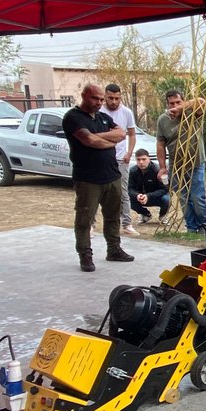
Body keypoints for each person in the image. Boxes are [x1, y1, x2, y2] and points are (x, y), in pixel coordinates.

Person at [64, 82, 130, 271]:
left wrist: (100, 137)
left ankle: (114, 250)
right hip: (88, 179)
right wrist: (109, 140)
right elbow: (90, 140)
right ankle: (85, 255)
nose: (99, 102)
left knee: (113, 216)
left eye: (101, 99)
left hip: (112, 175)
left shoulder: (102, 117)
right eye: (95, 98)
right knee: (84, 220)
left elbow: (121, 133)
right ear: (84, 96)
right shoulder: (73, 117)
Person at [156, 88, 206, 232]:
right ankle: (191, 228)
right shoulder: (163, 120)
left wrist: (181, 108)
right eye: (171, 103)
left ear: (183, 101)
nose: (174, 106)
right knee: (184, 198)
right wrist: (162, 167)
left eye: (178, 102)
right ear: (167, 104)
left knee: (197, 197)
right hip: (176, 165)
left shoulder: (192, 112)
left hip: (196, 162)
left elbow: (201, 102)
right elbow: (160, 144)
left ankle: (203, 227)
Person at [102, 83, 139, 237]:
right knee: (99, 191)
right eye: (110, 98)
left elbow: (132, 134)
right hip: (103, 157)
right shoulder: (99, 111)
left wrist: (129, 152)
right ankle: (92, 224)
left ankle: (127, 224)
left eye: (117, 98)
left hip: (121, 158)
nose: (114, 101)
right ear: (105, 96)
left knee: (123, 192)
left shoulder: (126, 112)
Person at [128, 148, 170, 223]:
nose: (141, 162)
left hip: (156, 197)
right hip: (141, 197)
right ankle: (145, 214)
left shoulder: (157, 170)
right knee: (127, 200)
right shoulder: (133, 171)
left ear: (149, 159)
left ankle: (163, 215)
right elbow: (130, 189)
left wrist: (148, 196)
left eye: (144, 159)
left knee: (166, 199)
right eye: (138, 159)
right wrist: (137, 195)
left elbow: (165, 189)